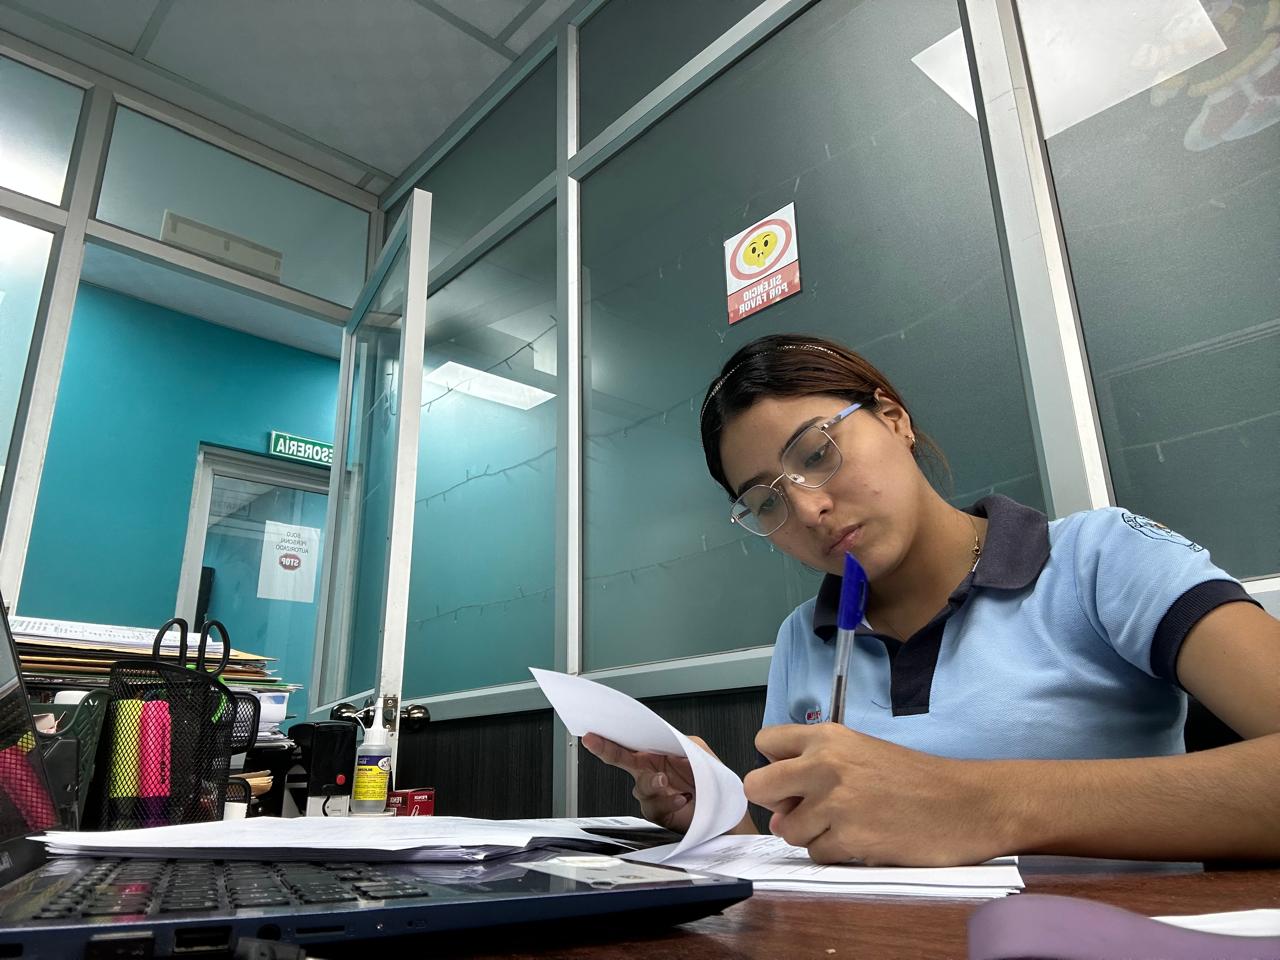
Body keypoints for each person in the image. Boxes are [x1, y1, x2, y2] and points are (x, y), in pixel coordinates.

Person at [582, 333, 1280, 866]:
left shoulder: (1099, 559)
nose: (810, 509)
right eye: (766, 501)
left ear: (893, 419)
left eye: (817, 454)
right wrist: (717, 818)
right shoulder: (805, 636)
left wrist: (983, 805)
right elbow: (811, 853)